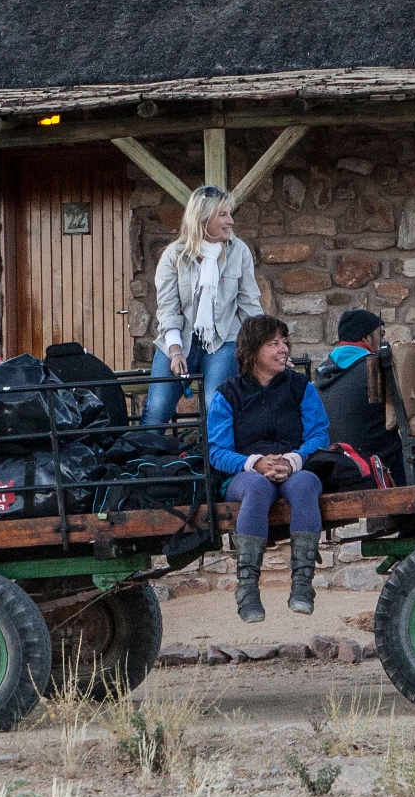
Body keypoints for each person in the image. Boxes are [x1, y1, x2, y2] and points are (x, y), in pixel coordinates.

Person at [206, 314, 329, 623]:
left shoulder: (300, 387)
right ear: (253, 352)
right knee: (257, 487)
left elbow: (319, 435)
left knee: (306, 484)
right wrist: (255, 463)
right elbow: (217, 451)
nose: (283, 349)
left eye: (284, 342)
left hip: (293, 469)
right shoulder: (227, 394)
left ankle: (302, 584)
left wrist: (292, 460)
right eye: (274, 343)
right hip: (244, 475)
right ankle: (247, 590)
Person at [149, 185, 260, 426]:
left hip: (223, 340)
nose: (230, 221)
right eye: (223, 214)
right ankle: (142, 463)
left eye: (230, 214)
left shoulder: (238, 251)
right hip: (179, 339)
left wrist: (264, 345)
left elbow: (250, 304)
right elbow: (168, 308)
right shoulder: (173, 255)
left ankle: (216, 462)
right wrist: (176, 351)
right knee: (157, 409)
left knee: (215, 404)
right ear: (202, 217)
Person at [310, 309, 398, 468]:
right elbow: (406, 418)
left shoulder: (323, 371)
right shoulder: (375, 368)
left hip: (337, 466)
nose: (385, 341)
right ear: (366, 337)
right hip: (378, 464)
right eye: (381, 335)